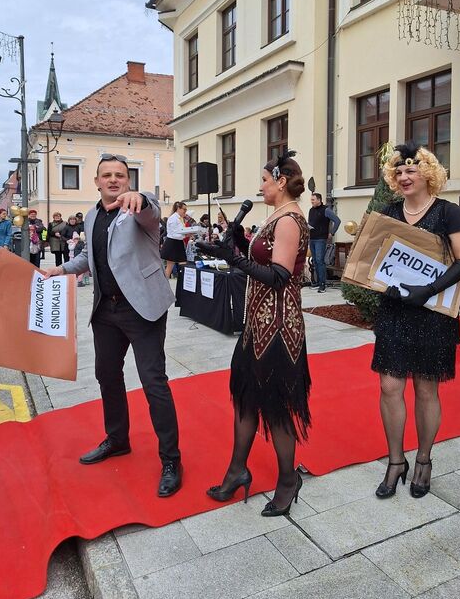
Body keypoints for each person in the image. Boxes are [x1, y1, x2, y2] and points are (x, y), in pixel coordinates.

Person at [44, 154, 182, 497]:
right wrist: (61, 270)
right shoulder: (92, 216)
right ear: (97, 181)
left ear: (128, 180)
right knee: (106, 374)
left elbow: (152, 211)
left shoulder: (138, 207)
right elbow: (89, 257)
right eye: (106, 175)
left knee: (153, 382)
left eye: (120, 175)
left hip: (142, 309)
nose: (113, 179)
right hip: (106, 309)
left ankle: (171, 460)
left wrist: (141, 198)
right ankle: (118, 439)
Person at [197, 151, 311, 516]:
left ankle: (288, 479)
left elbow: (278, 275)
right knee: (246, 397)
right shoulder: (275, 215)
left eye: (264, 180)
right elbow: (262, 256)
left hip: (278, 326)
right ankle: (237, 470)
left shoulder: (290, 219)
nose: (260, 186)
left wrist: (234, 259)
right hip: (257, 323)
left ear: (280, 181)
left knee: (275, 405)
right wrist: (233, 244)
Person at [372, 142, 460, 499]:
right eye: (398, 171)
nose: (403, 176)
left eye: (411, 170)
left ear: (427, 173)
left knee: (426, 389)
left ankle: (424, 460)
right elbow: (375, 258)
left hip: (433, 313)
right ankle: (395, 461)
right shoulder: (388, 212)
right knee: (389, 386)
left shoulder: (449, 213)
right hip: (395, 310)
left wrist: (427, 290)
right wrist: (379, 282)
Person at [308, 192, 341, 293]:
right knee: (315, 261)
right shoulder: (311, 210)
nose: (311, 202)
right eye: (311, 200)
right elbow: (311, 223)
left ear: (319, 200)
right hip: (312, 238)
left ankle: (322, 284)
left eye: (313, 200)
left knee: (320, 260)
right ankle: (318, 282)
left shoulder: (326, 210)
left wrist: (332, 232)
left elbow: (337, 221)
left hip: (320, 239)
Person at [160, 201, 187, 279]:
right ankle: (164, 284)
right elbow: (174, 234)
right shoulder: (173, 219)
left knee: (182, 264)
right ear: (178, 208)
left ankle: (182, 282)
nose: (185, 211)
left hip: (178, 242)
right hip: (172, 242)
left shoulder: (180, 218)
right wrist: (185, 235)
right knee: (170, 267)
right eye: (184, 209)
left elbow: (180, 231)